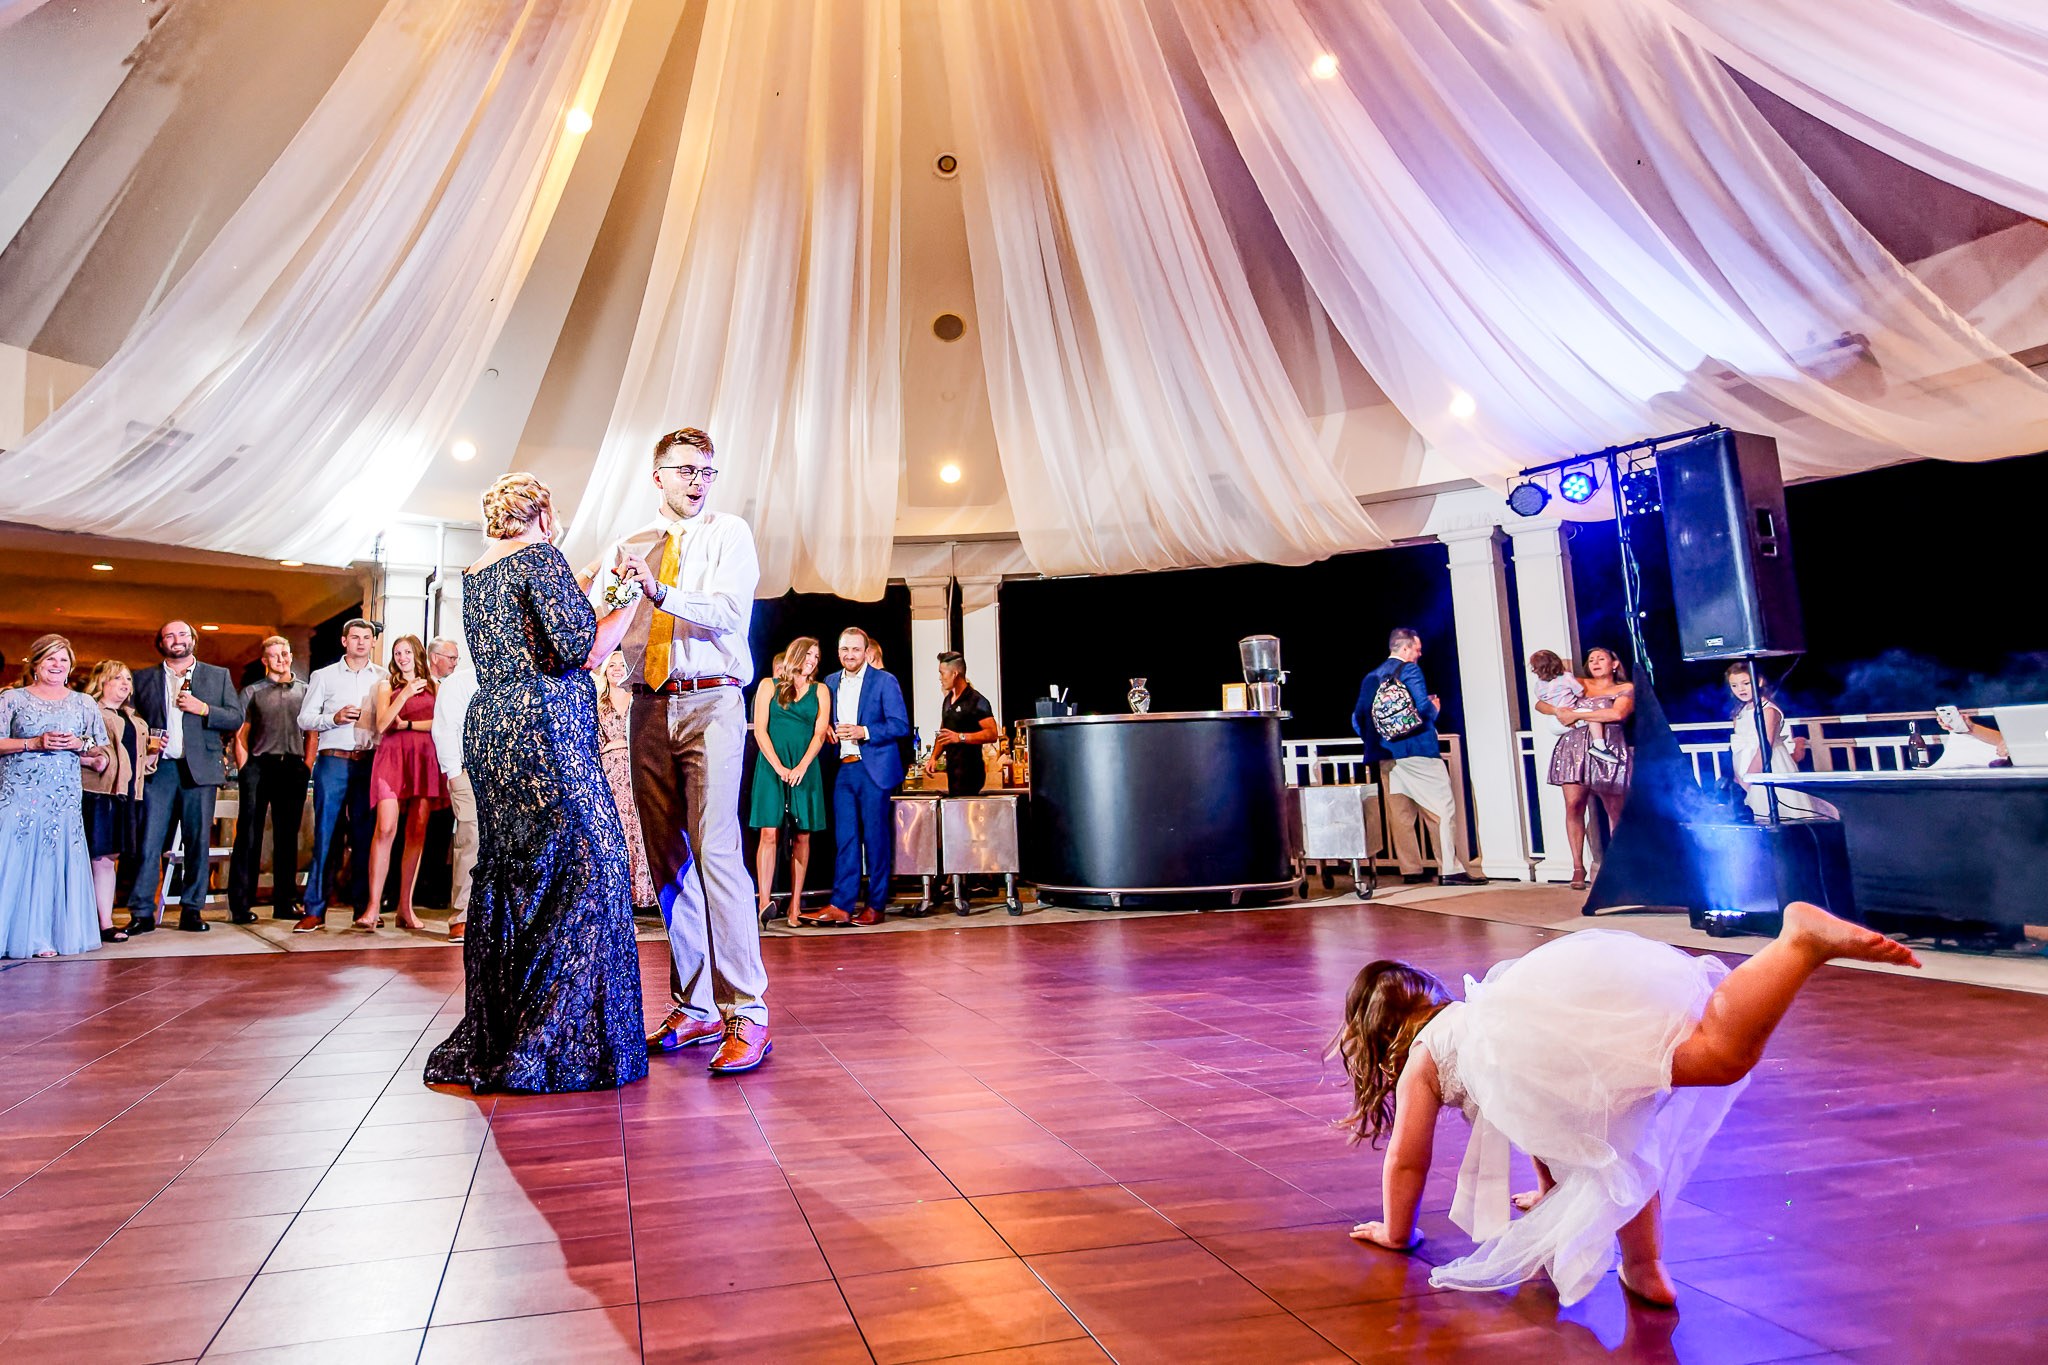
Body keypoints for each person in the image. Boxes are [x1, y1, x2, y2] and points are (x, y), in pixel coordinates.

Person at [1338, 904, 1920, 1308]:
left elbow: (1409, 1159)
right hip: (1555, 1013)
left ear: (1382, 1037)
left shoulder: (1423, 1055)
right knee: (1633, 1128)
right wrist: (1548, 1191)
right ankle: (1644, 1267)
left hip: (1547, 1044)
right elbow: (1534, 1116)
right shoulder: (1473, 1024)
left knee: (1700, 1074)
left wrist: (1397, 1232)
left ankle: (1796, 943)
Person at [425, 472, 644, 1094]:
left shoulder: (479, 570)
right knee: (586, 863)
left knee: (513, 869)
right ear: (543, 513)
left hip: (494, 725)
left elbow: (537, 625)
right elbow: (583, 648)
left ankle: (504, 1027)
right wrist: (626, 594)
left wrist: (593, 570)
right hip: (546, 727)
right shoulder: (542, 557)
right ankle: (556, 1040)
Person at [598, 427, 770, 1074]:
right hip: (647, 702)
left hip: (713, 700)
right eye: (686, 469)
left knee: (718, 852)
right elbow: (605, 620)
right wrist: (600, 591)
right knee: (668, 858)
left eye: (707, 470)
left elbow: (728, 611)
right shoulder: (632, 545)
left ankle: (748, 1014)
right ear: (658, 475)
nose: (698, 480)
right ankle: (694, 1005)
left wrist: (659, 590)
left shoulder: (730, 533)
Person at [126, 620, 244, 933]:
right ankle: (141, 912)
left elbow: (235, 716)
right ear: (161, 642)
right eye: (169, 635)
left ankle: (192, 910)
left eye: (182, 634)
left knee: (196, 844)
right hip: (159, 770)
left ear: (192, 639)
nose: (176, 640)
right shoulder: (143, 678)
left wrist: (203, 708)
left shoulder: (217, 676)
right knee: (149, 843)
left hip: (200, 770)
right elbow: (131, 720)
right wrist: (146, 739)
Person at [0, 635, 108, 957]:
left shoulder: (84, 703)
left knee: (52, 859)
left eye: (63, 659)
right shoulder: (12, 699)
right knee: (13, 857)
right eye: (50, 659)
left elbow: (99, 748)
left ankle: (44, 936)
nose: (57, 665)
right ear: (35, 664)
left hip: (62, 797)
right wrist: (33, 743)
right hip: (19, 793)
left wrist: (79, 745)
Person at [1351, 627, 1482, 887]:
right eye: (1417, 649)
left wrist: (1382, 740)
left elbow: (1357, 719)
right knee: (1442, 809)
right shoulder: (1410, 671)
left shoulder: (1371, 677)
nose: (1420, 654)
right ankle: (1450, 869)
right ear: (1405, 648)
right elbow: (1421, 707)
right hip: (1419, 751)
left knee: (1401, 816)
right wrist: (1433, 710)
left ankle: (1410, 869)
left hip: (1387, 756)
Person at [815, 627, 910, 927]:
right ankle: (842, 905)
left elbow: (900, 724)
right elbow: (824, 719)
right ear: (838, 651)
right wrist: (827, 729)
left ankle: (876, 905)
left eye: (855, 649)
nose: (849, 655)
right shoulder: (829, 682)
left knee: (876, 839)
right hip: (844, 767)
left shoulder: (884, 681)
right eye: (845, 649)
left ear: (866, 652)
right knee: (845, 838)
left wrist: (864, 731)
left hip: (874, 770)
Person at [296, 620, 383, 932]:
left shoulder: (382, 678)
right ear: (344, 641)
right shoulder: (324, 676)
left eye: (366, 638)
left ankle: (364, 908)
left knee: (365, 837)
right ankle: (314, 909)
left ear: (373, 642)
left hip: (368, 762)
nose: (361, 643)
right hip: (333, 761)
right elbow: (304, 718)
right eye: (355, 637)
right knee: (325, 835)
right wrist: (332, 719)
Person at [359, 635, 445, 931]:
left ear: (417, 654)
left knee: (417, 831)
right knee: (385, 828)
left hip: (423, 758)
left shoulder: (434, 685)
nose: (402, 657)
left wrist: (408, 724)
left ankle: (405, 908)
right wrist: (405, 694)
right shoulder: (387, 686)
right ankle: (372, 908)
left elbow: (440, 722)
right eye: (397, 653)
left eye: (407, 652)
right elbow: (382, 724)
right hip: (392, 757)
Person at [1536, 646, 1636, 890]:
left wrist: (1581, 713)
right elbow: (1541, 703)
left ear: (1614, 663)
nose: (1595, 662)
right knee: (1574, 806)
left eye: (1601, 658)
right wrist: (1559, 711)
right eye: (1591, 659)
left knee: (1615, 810)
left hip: (1608, 746)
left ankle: (1620, 866)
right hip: (1574, 746)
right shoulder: (1576, 682)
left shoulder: (1625, 688)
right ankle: (1578, 867)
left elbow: (1617, 713)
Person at [747, 636, 831, 927]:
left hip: (804, 767)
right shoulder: (768, 685)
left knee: (802, 835)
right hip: (772, 766)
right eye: (809, 654)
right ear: (795, 654)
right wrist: (779, 767)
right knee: (769, 832)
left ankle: (795, 906)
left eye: (817, 657)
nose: (812, 661)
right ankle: (764, 902)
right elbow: (760, 731)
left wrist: (801, 766)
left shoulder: (820, 691)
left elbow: (820, 734)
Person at [229, 636, 311, 924]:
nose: (281, 659)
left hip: (293, 765)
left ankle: (285, 902)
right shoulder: (252, 691)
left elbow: (312, 731)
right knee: (249, 835)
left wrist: (307, 765)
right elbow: (241, 733)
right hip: (259, 765)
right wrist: (245, 767)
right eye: (274, 655)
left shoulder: (305, 690)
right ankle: (241, 904)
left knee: (287, 836)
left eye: (285, 653)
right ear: (265, 661)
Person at [82, 660, 152, 943]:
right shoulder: (89, 711)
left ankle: (105, 922)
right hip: (97, 794)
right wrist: (91, 759)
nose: (125, 684)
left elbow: (137, 760)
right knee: (96, 858)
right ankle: (94, 921)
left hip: (126, 794)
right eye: (117, 679)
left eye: (127, 679)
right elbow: (78, 748)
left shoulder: (134, 718)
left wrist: (151, 759)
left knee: (109, 859)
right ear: (101, 682)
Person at [1725, 663, 1833, 819]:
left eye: (1746, 683)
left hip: (1768, 764)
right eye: (1734, 685)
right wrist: (1738, 777)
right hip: (1744, 765)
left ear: (1759, 681)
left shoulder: (1768, 710)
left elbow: (1765, 747)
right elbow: (1738, 747)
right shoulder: (1739, 713)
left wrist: (1749, 779)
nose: (1740, 689)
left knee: (1775, 810)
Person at [594, 649, 657, 910]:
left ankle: (643, 898)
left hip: (638, 774)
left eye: (622, 665)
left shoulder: (639, 701)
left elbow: (650, 738)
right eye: (613, 665)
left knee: (640, 834)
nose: (618, 669)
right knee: (616, 836)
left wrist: (623, 742)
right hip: (610, 777)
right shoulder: (598, 704)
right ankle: (619, 907)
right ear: (606, 671)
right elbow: (594, 744)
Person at [428, 636, 478, 943]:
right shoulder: (459, 683)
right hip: (468, 772)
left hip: (509, 774)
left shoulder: (515, 681)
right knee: (470, 838)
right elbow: (445, 728)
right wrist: (454, 772)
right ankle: (461, 915)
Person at [934, 650, 1000, 797]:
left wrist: (961, 737)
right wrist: (933, 758)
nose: (940, 678)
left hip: (971, 774)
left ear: (955, 674)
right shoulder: (948, 700)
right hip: (953, 774)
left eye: (942, 673)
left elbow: (992, 733)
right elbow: (943, 733)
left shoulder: (977, 701)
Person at [1528, 650, 1611, 756]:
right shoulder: (1566, 677)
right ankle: (1599, 745)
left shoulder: (1539, 685)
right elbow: (1580, 692)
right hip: (1566, 715)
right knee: (1592, 715)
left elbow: (1540, 698)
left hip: (1552, 723)